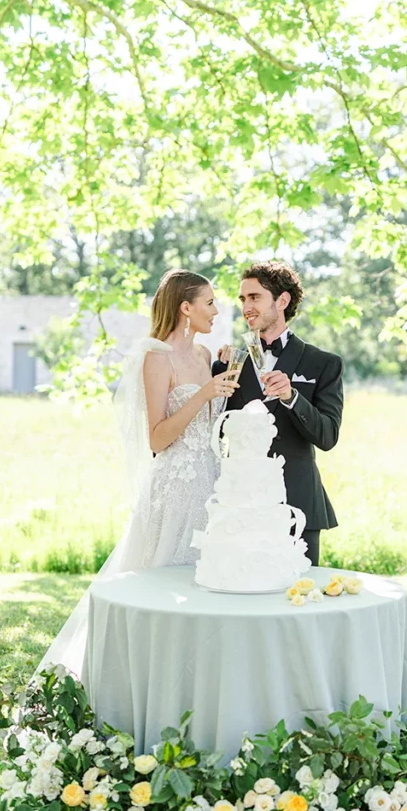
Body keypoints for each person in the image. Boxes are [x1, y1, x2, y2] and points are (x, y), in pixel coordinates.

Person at [38, 269, 238, 675]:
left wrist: (220, 376)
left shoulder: (202, 356)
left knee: (208, 584)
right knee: (163, 585)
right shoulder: (155, 358)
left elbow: (209, 423)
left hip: (213, 482)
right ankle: (145, 671)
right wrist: (204, 393)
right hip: (176, 486)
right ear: (186, 308)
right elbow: (158, 438)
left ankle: (200, 673)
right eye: (210, 303)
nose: (217, 311)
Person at [215, 261, 343, 566]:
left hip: (297, 503)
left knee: (299, 597)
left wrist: (292, 397)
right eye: (242, 299)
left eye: (255, 297)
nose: (246, 307)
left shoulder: (323, 364)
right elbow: (217, 431)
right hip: (241, 505)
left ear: (282, 301)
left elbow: (327, 436)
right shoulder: (228, 363)